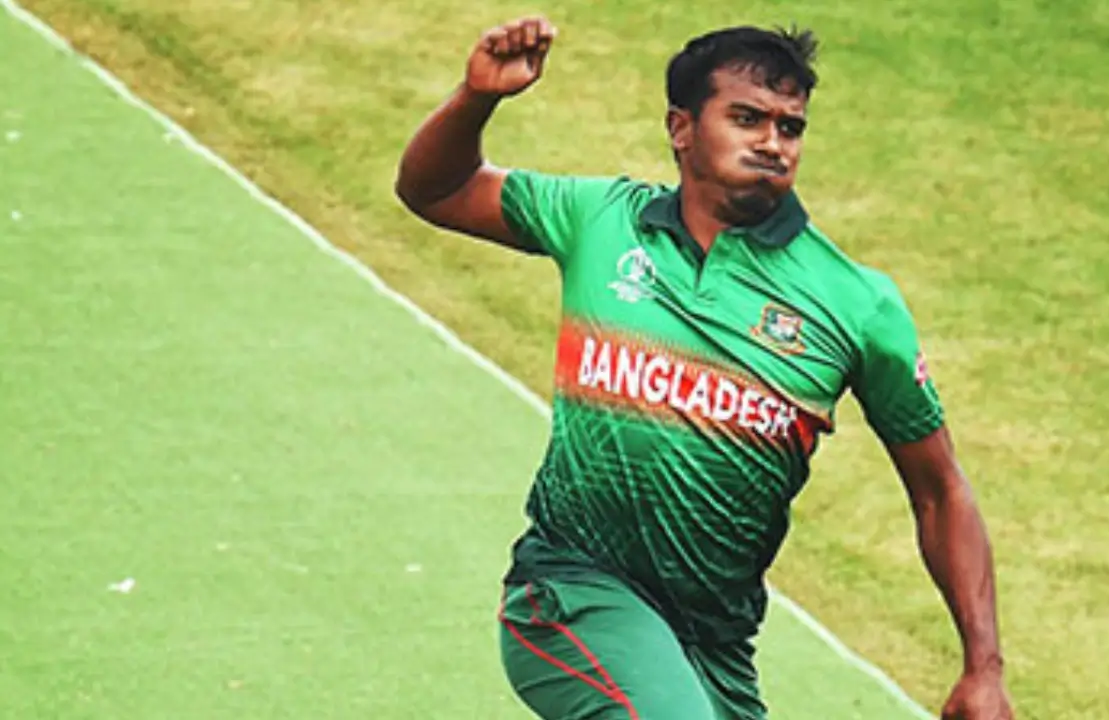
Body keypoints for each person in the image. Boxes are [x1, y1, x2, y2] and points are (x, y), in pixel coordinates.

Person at [395, 15, 1013, 720]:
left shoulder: (856, 303)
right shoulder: (602, 220)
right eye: (747, 119)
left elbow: (940, 491)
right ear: (681, 128)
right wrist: (477, 99)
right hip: (571, 592)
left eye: (790, 127)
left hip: (713, 643)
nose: (773, 143)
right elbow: (435, 190)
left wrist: (983, 667)